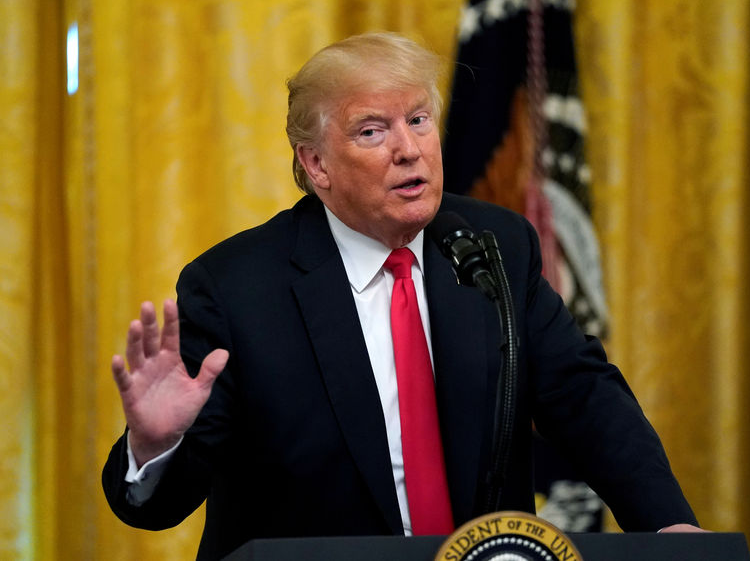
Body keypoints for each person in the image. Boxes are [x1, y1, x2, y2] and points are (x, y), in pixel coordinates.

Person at [102, 32, 701, 561]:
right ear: (316, 164)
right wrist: (155, 446)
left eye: (419, 120)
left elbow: (582, 395)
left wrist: (667, 523)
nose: (409, 149)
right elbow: (158, 508)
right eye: (372, 131)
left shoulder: (496, 246)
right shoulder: (236, 287)